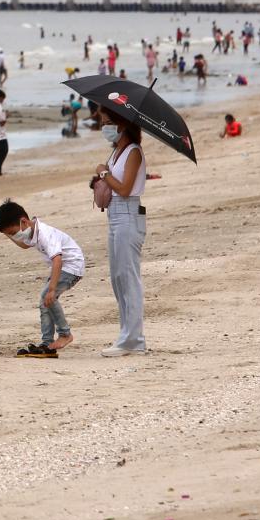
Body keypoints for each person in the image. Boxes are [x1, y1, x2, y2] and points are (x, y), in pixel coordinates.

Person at [0, 201, 84, 357]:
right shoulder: (31, 231)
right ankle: (47, 343)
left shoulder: (45, 234)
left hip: (72, 267)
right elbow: (23, 245)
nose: (15, 235)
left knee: (48, 296)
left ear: (23, 221)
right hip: (62, 267)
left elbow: (57, 259)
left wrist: (52, 289)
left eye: (14, 232)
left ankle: (65, 334)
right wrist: (6, 233)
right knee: (45, 301)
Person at [92, 109, 147, 357]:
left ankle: (133, 339)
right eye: (103, 123)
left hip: (128, 214)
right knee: (117, 278)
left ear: (122, 124)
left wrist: (104, 173)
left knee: (128, 277)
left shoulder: (133, 151)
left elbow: (125, 189)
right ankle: (127, 335)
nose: (105, 127)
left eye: (108, 123)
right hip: (115, 215)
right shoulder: (116, 152)